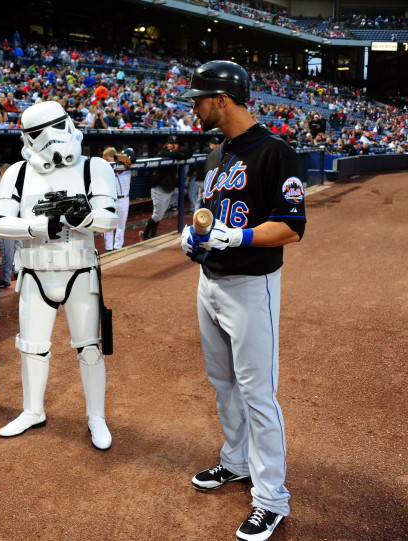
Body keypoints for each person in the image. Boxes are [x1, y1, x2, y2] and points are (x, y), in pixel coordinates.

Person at [180, 60, 306, 541]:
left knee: (257, 393)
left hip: (251, 287)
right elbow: (209, 216)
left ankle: (271, 498)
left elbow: (291, 228)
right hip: (209, 282)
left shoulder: (276, 151)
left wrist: (242, 237)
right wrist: (197, 236)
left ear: (222, 100)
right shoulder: (218, 154)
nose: (194, 107)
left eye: (199, 99)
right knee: (222, 383)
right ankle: (235, 461)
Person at [0, 101, 118, 450]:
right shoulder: (17, 173)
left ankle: (96, 416)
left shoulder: (94, 168)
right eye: (37, 133)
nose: (48, 140)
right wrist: (36, 225)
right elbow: (0, 222)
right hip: (34, 272)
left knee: (89, 348)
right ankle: (33, 410)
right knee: (31, 347)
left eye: (55, 128)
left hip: (79, 269)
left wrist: (84, 218)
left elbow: (110, 219)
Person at [140, 135, 190, 240]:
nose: (173, 145)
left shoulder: (176, 154)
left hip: (168, 187)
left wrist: (179, 153)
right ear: (166, 144)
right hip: (159, 187)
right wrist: (179, 153)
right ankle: (144, 235)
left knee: (160, 214)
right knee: (157, 215)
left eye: (175, 143)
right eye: (171, 143)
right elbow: (178, 154)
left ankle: (152, 234)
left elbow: (188, 154)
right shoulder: (162, 152)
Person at [103, 147, 134, 252]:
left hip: (124, 199)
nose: (106, 162)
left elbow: (132, 157)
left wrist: (119, 157)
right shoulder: (106, 170)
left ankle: (118, 247)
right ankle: (108, 248)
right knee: (109, 226)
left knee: (121, 225)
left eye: (107, 159)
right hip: (111, 200)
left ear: (113, 157)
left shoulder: (126, 165)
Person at [188, 135, 221, 214]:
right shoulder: (207, 151)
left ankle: (196, 213)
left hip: (205, 180)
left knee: (198, 197)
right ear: (210, 144)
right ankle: (199, 213)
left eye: (218, 144)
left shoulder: (218, 152)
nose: (216, 145)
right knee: (200, 197)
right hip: (202, 179)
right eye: (214, 144)